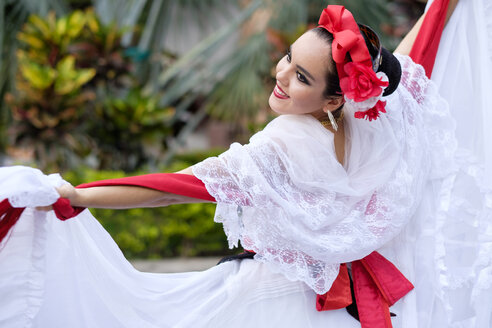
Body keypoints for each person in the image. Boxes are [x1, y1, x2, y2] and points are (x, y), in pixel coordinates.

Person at [0, 1, 489, 327]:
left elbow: (179, 186)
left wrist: (83, 195)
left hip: (274, 303)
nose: (280, 75)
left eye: (300, 77)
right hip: (340, 309)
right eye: (287, 58)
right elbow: (416, 53)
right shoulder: (374, 123)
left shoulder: (283, 145)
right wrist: (444, 9)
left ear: (334, 98)